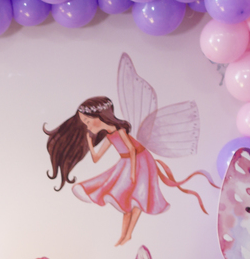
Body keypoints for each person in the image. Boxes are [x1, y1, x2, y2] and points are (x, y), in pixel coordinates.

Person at [44, 97, 213, 247]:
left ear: (99, 117)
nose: (87, 125)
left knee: (136, 198)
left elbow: (132, 149)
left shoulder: (119, 131)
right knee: (125, 199)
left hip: (141, 160)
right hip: (126, 162)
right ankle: (124, 235)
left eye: (88, 121)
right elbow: (96, 158)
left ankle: (128, 234)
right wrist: (89, 143)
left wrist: (133, 173)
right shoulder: (109, 136)